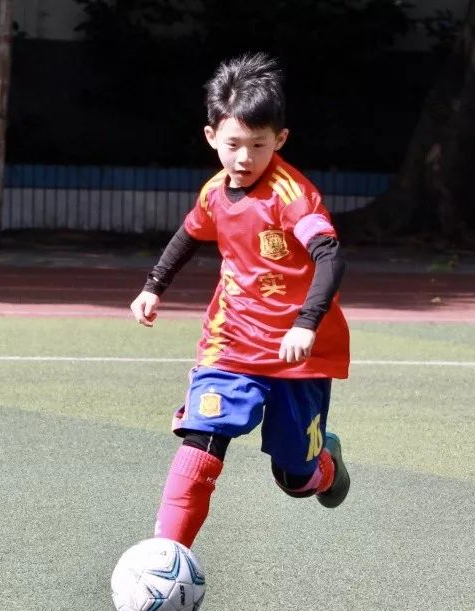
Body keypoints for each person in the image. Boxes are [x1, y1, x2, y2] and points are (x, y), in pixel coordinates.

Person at [129, 53, 351, 549]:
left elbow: (330, 256)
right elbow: (190, 234)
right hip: (230, 343)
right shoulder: (214, 191)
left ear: (281, 140)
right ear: (211, 137)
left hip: (298, 352)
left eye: (259, 145)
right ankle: (165, 555)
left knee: (295, 477)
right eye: (233, 145)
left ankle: (324, 464)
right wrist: (153, 286)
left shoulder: (294, 196)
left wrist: (305, 322)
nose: (245, 158)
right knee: (202, 436)